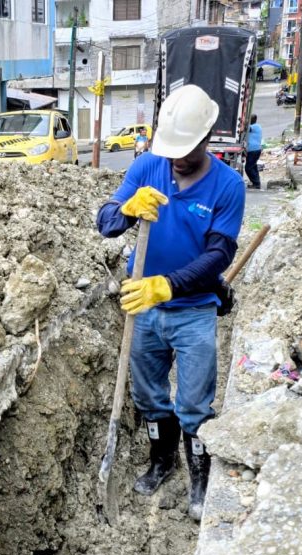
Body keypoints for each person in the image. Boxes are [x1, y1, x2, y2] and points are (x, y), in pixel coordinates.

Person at [96, 85, 244, 521]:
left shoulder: (228, 186)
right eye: (172, 149)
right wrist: (126, 208)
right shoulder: (146, 167)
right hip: (143, 307)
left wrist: (169, 285)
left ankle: (200, 471)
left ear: (207, 137)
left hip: (195, 309)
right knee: (148, 395)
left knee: (195, 402)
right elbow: (104, 224)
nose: (177, 158)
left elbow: (219, 255)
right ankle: (163, 459)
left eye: (186, 148)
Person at [245, 114, 262, 189]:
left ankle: (256, 183)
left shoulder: (254, 127)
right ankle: (257, 182)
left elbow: (244, 128)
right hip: (255, 149)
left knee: (248, 168)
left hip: (253, 150)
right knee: (253, 166)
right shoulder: (257, 126)